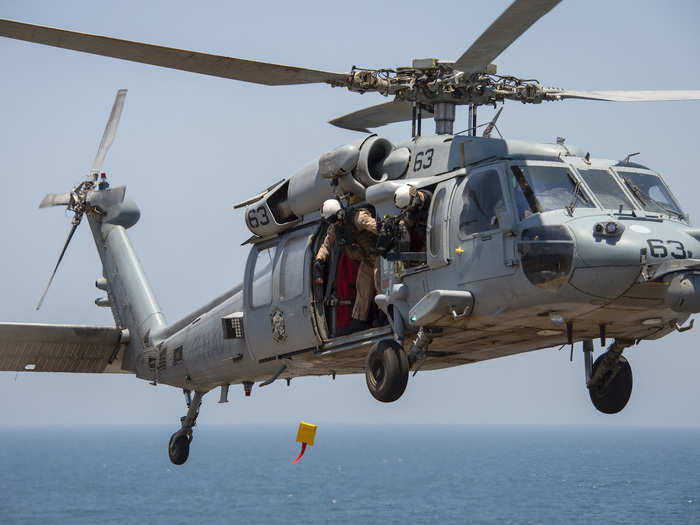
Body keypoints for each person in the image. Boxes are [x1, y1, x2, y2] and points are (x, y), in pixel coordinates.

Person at [314, 198, 378, 334]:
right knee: (362, 288)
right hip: (367, 260)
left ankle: (388, 314)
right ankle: (360, 321)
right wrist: (319, 260)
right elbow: (326, 245)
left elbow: (375, 226)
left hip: (380, 256)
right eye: (331, 221)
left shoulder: (357, 218)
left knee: (381, 285)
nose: (335, 223)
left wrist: (385, 232)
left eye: (335, 219)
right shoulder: (335, 229)